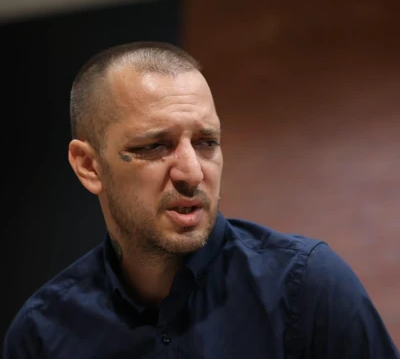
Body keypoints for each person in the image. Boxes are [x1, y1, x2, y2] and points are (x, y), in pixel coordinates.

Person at [3, 41, 399, 359]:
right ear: (89, 166)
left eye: (206, 142)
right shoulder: (42, 334)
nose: (192, 173)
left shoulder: (306, 288)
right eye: (155, 146)